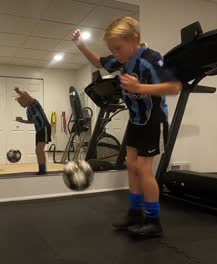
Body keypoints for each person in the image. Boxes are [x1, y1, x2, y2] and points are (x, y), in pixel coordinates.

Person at [72, 17, 182, 238]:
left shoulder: (151, 59)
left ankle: (153, 221)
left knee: (143, 169)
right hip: (136, 121)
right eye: (113, 49)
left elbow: (174, 86)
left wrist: (138, 86)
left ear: (135, 39)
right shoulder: (124, 59)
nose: (116, 53)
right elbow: (98, 62)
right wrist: (81, 45)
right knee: (131, 165)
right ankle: (135, 214)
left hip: (154, 119)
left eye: (118, 48)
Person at [15, 87, 52, 175]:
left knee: (39, 150)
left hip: (44, 127)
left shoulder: (34, 103)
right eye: (19, 103)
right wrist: (22, 121)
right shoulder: (28, 111)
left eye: (21, 102)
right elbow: (31, 121)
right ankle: (41, 169)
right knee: (38, 151)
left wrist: (18, 92)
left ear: (25, 99)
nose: (20, 104)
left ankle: (43, 171)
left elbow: (28, 96)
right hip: (38, 130)